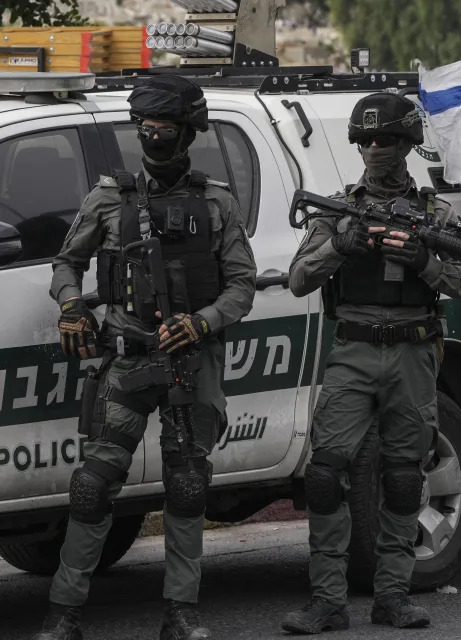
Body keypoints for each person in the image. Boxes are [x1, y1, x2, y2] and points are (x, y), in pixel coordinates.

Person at [36, 75, 256, 640]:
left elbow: (242, 285)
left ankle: (180, 614)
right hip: (128, 357)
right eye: (144, 127)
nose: (152, 135)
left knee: (187, 488)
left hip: (190, 362)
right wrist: (70, 307)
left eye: (163, 127)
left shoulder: (217, 201)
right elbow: (66, 263)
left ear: (187, 133)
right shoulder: (110, 195)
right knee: (91, 486)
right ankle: (65, 614)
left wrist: (202, 321)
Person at [281, 92, 461, 633]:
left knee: (401, 477)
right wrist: (341, 248)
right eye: (366, 140)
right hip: (354, 350)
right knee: (325, 476)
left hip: (414, 352)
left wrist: (425, 263)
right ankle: (327, 601)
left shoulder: (434, 213)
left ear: (408, 144)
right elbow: (299, 279)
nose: (375, 148)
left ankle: (391, 595)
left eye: (386, 140)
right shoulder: (337, 210)